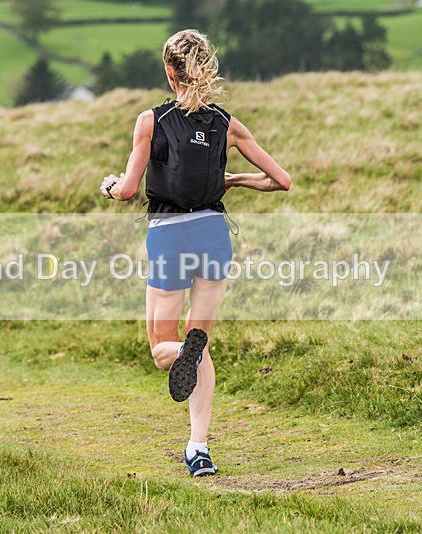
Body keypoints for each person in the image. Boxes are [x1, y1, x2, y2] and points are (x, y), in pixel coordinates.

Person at [99, 29, 290, 476]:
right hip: (213, 234)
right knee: (200, 344)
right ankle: (198, 447)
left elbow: (128, 191)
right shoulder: (227, 123)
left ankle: (186, 349)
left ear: (170, 72)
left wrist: (108, 186)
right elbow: (281, 180)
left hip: (169, 235)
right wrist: (234, 179)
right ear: (206, 68)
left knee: (163, 349)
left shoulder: (152, 121)